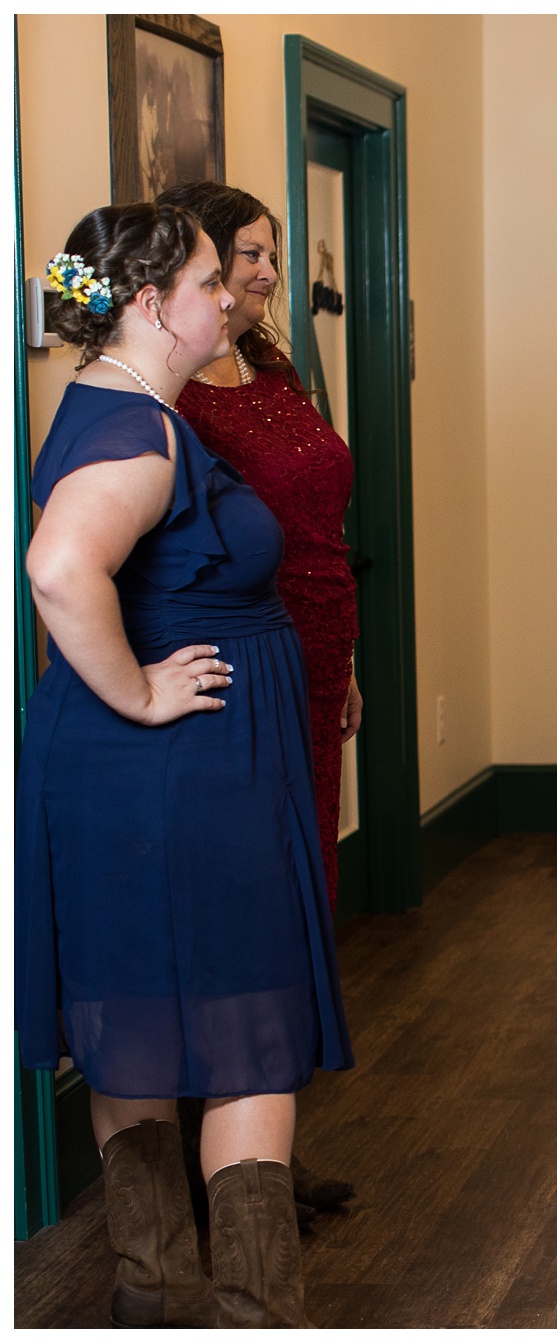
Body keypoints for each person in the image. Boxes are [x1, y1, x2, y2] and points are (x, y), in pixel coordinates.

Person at [16, 203, 352, 1327]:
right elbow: (61, 568)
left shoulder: (112, 402)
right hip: (176, 768)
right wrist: (141, 687)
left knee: (138, 1021)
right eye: (214, 279)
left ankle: (157, 1291)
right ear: (152, 302)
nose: (230, 296)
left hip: (134, 774)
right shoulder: (142, 432)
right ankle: (253, 1310)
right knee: (250, 1032)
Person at [159, 179, 359, 1227]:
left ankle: (265, 1147)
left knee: (301, 898)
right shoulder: (174, 389)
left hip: (320, 655)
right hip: (242, 664)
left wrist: (350, 662)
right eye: (246, 255)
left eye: (273, 254)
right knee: (239, 905)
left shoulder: (271, 364)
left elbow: (319, 517)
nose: (267, 274)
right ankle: (213, 1171)